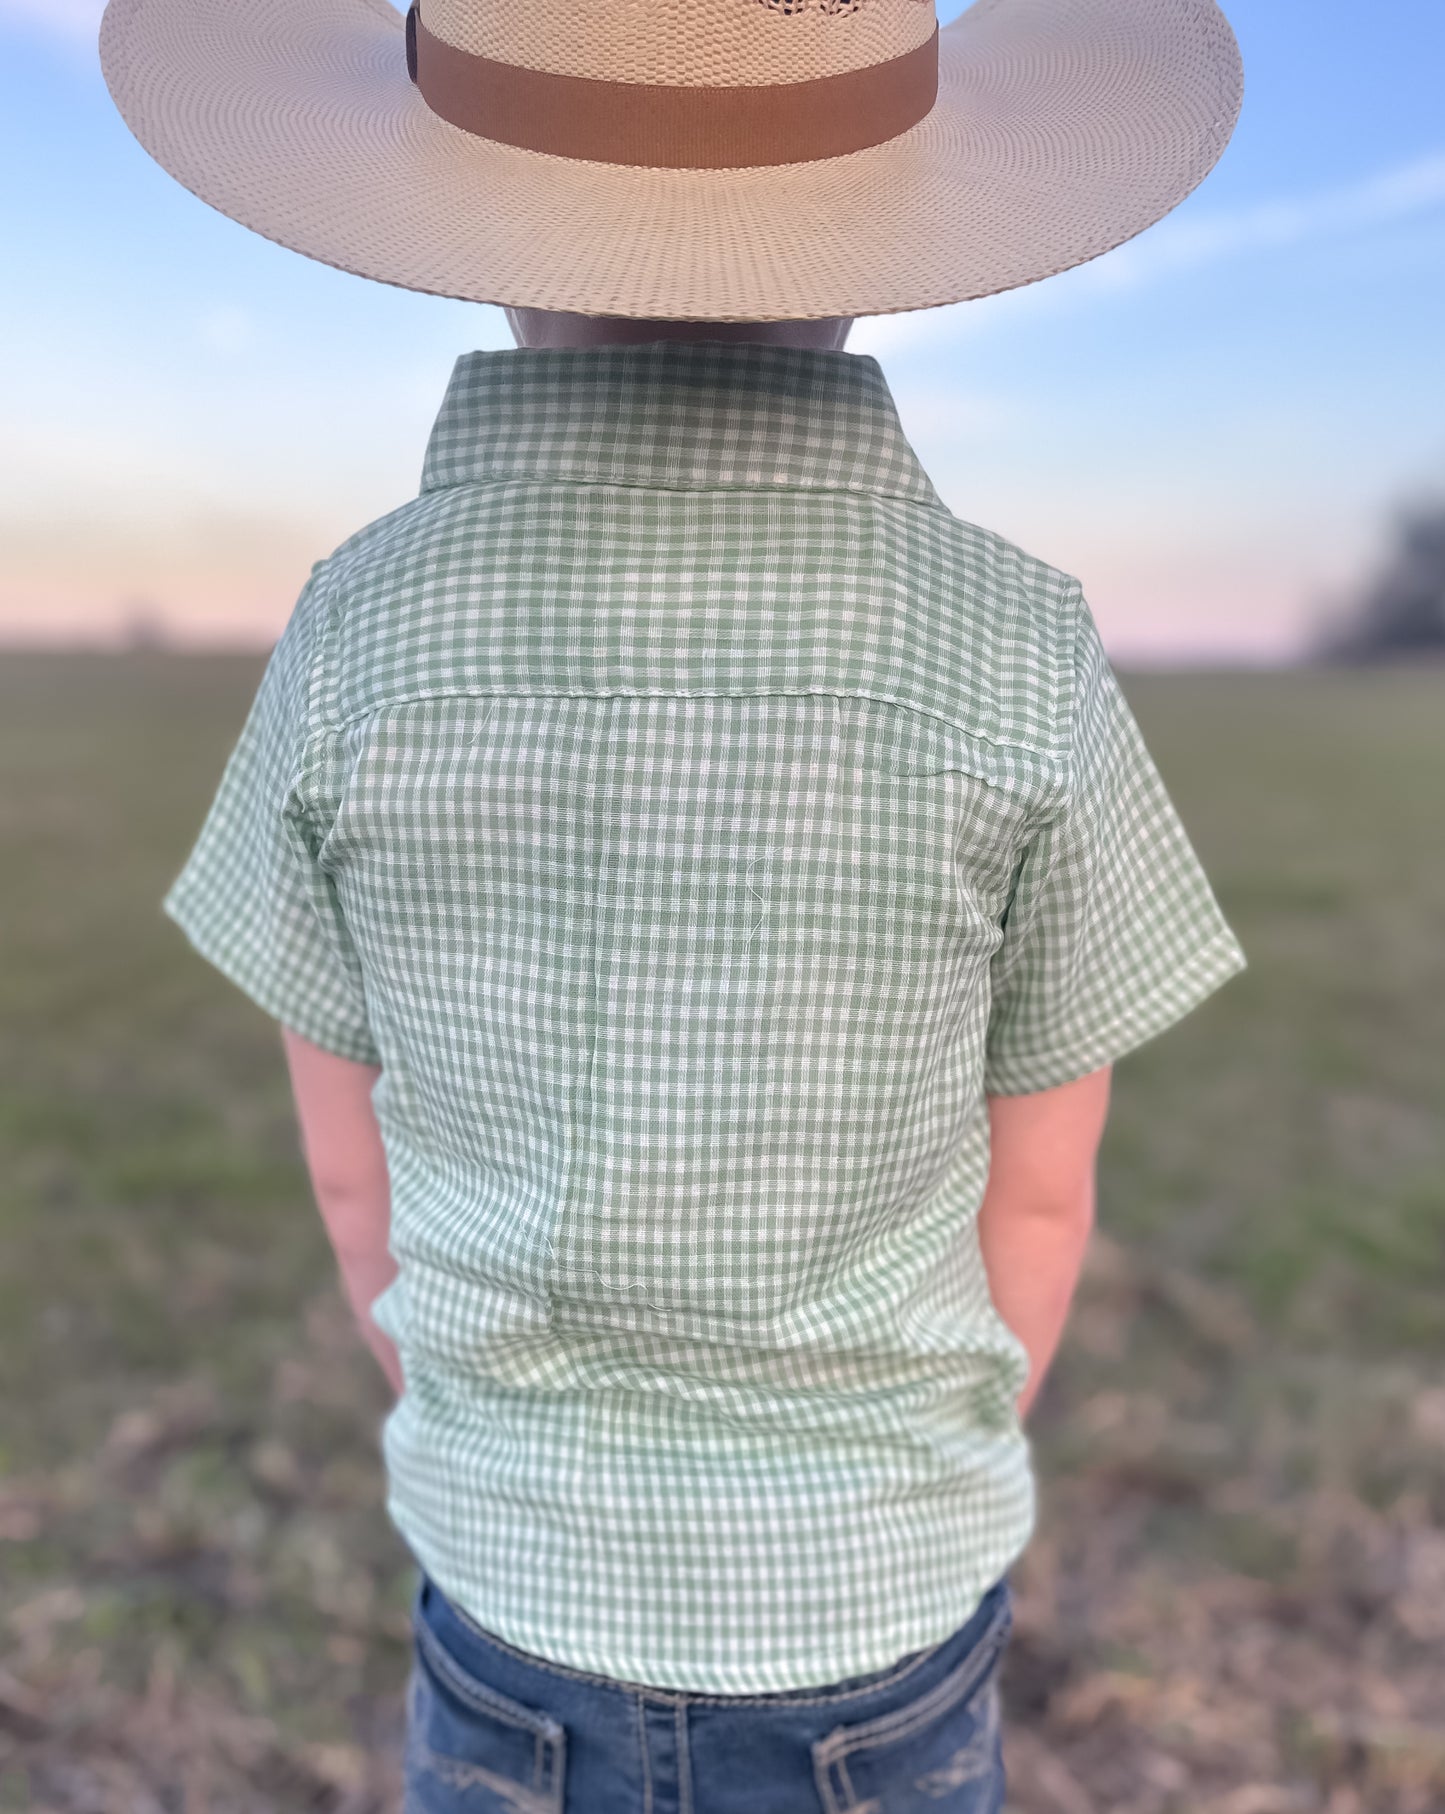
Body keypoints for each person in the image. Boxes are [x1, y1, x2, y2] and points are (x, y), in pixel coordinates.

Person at [100, 0, 1248, 1806]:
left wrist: (484, 1421)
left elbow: (351, 1175)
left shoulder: (357, 630)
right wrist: (902, 1472)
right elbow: (1041, 1185)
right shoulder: (1019, 645)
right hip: (880, 1600)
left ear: (482, 245)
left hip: (512, 1594)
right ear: (872, 242)